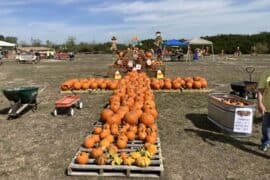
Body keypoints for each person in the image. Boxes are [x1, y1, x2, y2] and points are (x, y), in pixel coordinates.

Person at [257, 70, 270, 151]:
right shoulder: (266, 73)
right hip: (267, 107)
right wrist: (260, 104)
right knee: (266, 127)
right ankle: (266, 142)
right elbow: (260, 90)